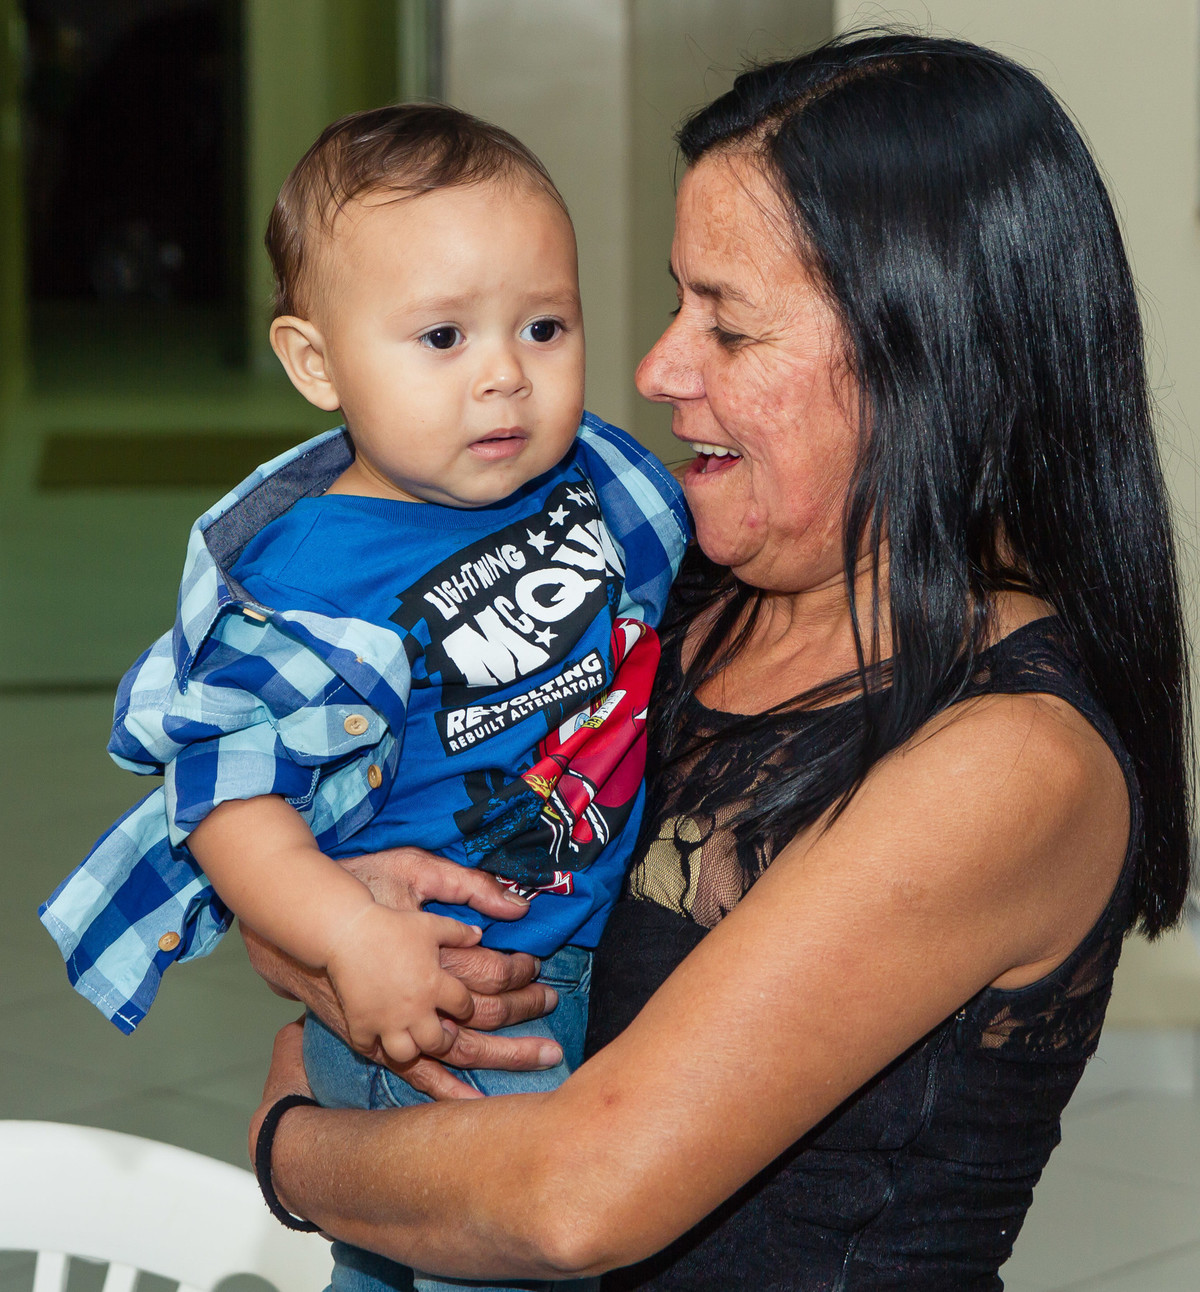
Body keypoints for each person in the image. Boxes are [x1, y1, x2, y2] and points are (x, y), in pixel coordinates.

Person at [239, 31, 1194, 1291]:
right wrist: (340, 919)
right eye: (678, 299)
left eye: (727, 327)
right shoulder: (674, 591)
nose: (654, 368)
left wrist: (292, 1145)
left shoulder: (1011, 758)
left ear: (929, 361)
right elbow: (322, 873)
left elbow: (578, 1194)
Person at [39, 103, 687, 1292]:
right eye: (442, 337)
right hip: (446, 1004)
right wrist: (351, 938)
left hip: (589, 952)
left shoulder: (600, 483)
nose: (504, 375)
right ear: (316, 362)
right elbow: (227, 797)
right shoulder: (306, 582)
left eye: (544, 326)